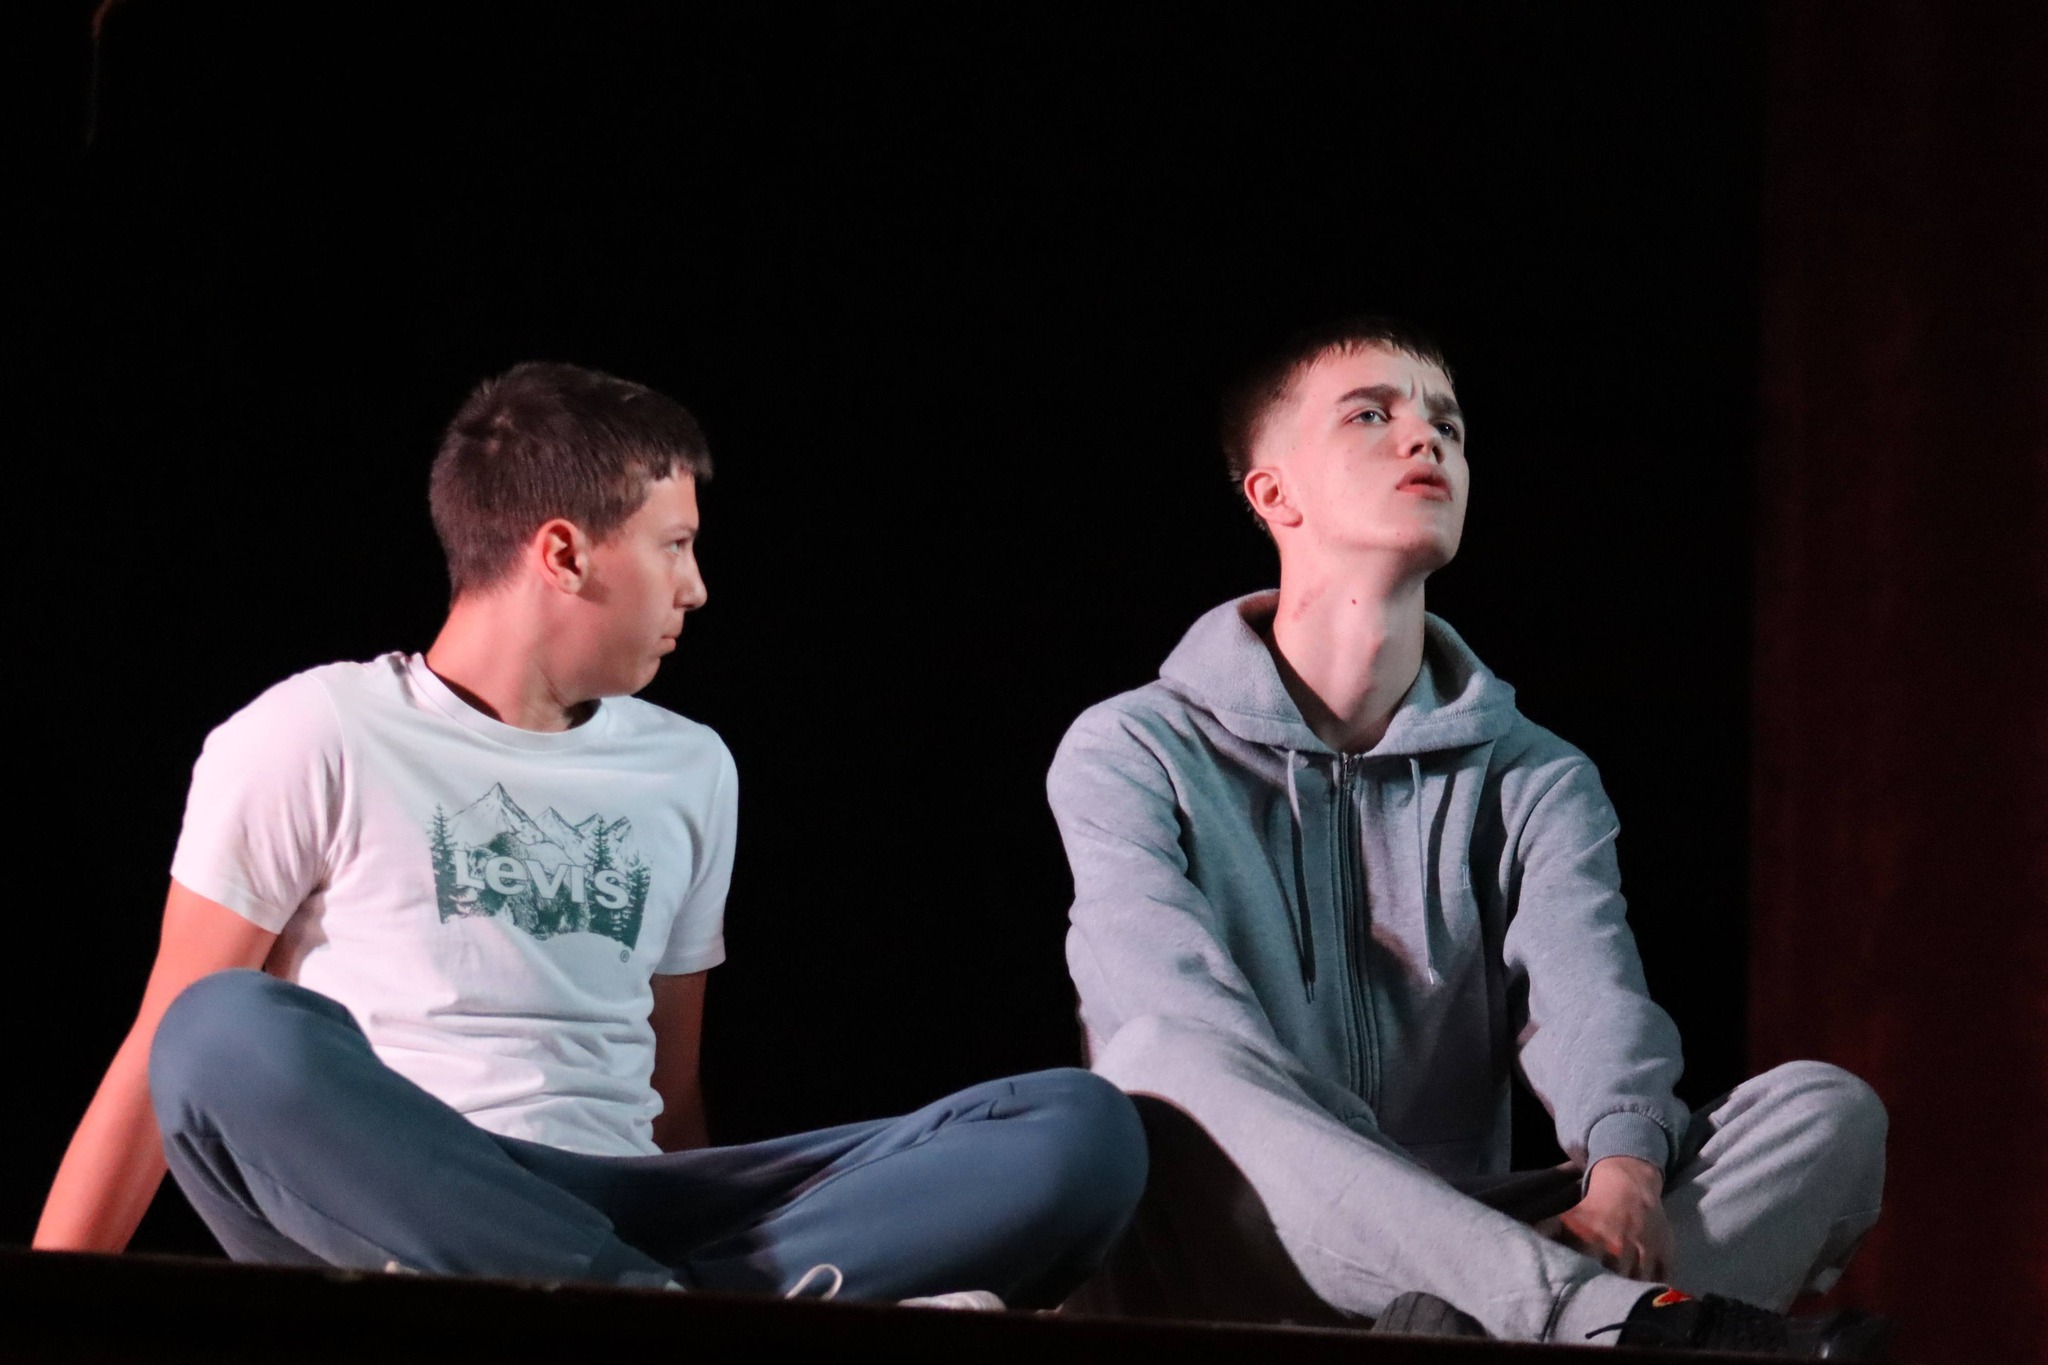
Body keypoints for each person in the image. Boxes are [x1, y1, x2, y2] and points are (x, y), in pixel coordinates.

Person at [35, 361, 1146, 1308]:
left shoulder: (690, 766)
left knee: (1074, 1128)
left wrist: (703, 1208)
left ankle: (633, 1305)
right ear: (564, 553)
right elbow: (163, 1057)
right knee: (217, 1028)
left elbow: (670, 1089)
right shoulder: (316, 728)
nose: (696, 589)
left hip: (632, 1201)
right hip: (400, 1199)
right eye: (675, 545)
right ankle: (650, 1310)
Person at [1046, 320, 1888, 1353]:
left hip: (1465, 1255)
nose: (1424, 439)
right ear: (1273, 494)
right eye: (1371, 415)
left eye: (1445, 424)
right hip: (1235, 1242)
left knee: (1825, 1114)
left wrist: (1624, 1165)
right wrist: (1394, 1209)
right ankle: (1598, 1323)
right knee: (1162, 1053)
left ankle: (1490, 1328)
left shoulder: (1534, 773)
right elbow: (1174, 1016)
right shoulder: (1132, 747)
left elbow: (1591, 1002)